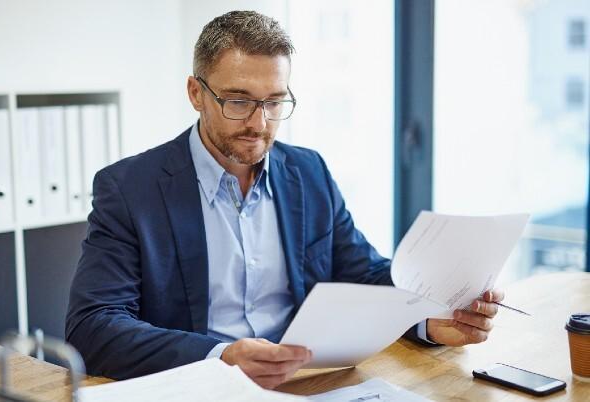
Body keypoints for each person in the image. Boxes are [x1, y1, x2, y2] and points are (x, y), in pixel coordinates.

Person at [65, 10, 504, 390]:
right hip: (201, 388)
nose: (259, 123)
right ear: (196, 94)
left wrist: (429, 319)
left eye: (275, 102)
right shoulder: (129, 188)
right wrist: (220, 355)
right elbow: (94, 326)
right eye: (238, 100)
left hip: (304, 383)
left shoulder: (308, 172)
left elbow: (363, 275)